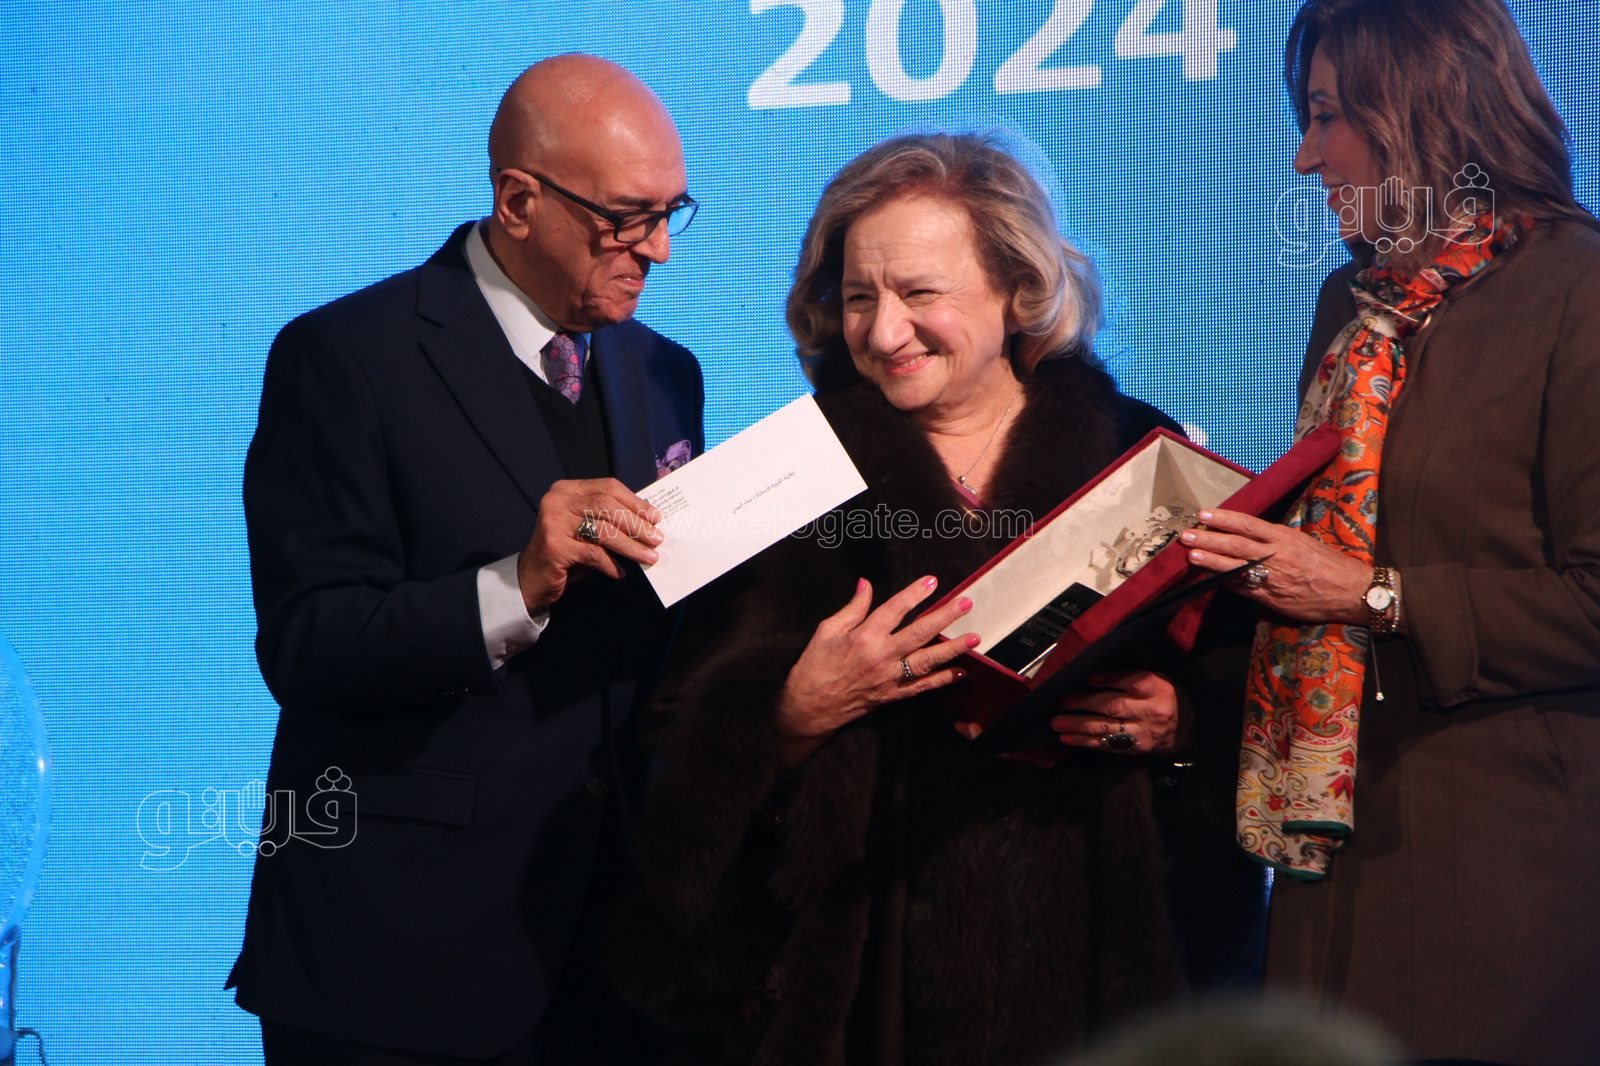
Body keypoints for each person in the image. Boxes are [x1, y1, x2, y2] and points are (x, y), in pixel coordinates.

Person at [613, 132, 1191, 1066]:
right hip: (861, 985)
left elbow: (1245, 699)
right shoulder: (769, 483)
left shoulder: (1142, 456)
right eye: (857, 299)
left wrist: (1177, 722)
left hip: (1100, 969)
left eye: (920, 294)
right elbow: (664, 747)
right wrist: (788, 713)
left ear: (1017, 290)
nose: (884, 333)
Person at [227, 54, 704, 1064]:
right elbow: (308, 644)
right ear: (519, 201)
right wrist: (516, 584)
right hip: (400, 961)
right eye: (626, 220)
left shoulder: (666, 371)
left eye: (672, 214)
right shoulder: (345, 357)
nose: (658, 250)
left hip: (615, 958)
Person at [1181, 1, 1600, 1061]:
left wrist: (1370, 594)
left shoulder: (1580, 290)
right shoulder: (1353, 305)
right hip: (1331, 846)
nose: (1304, 156)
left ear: (1424, 106)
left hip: (1512, 879)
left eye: (1327, 116)